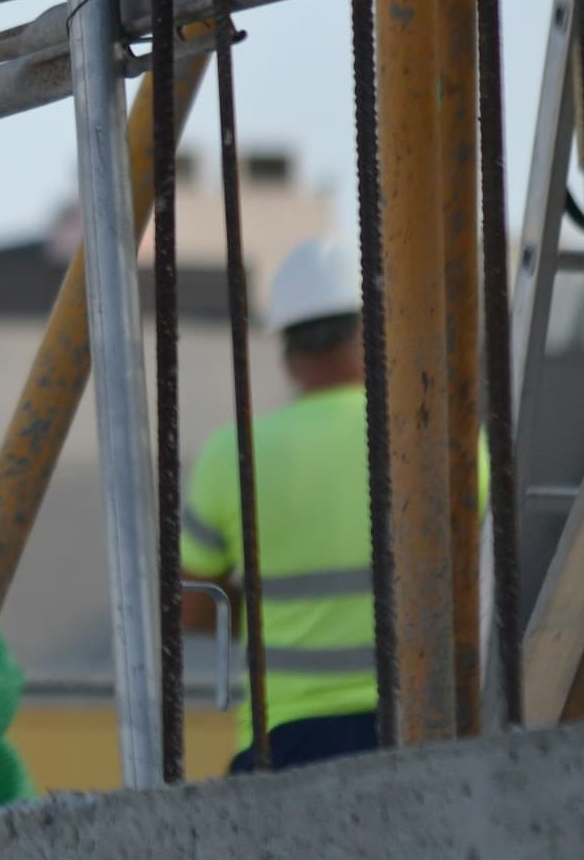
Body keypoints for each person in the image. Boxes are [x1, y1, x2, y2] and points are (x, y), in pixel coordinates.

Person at [180, 236, 476, 773]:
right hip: (423, 726)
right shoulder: (439, 434)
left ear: (289, 353)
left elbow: (192, 606)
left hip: (283, 739)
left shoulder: (233, 452)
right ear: (373, 333)